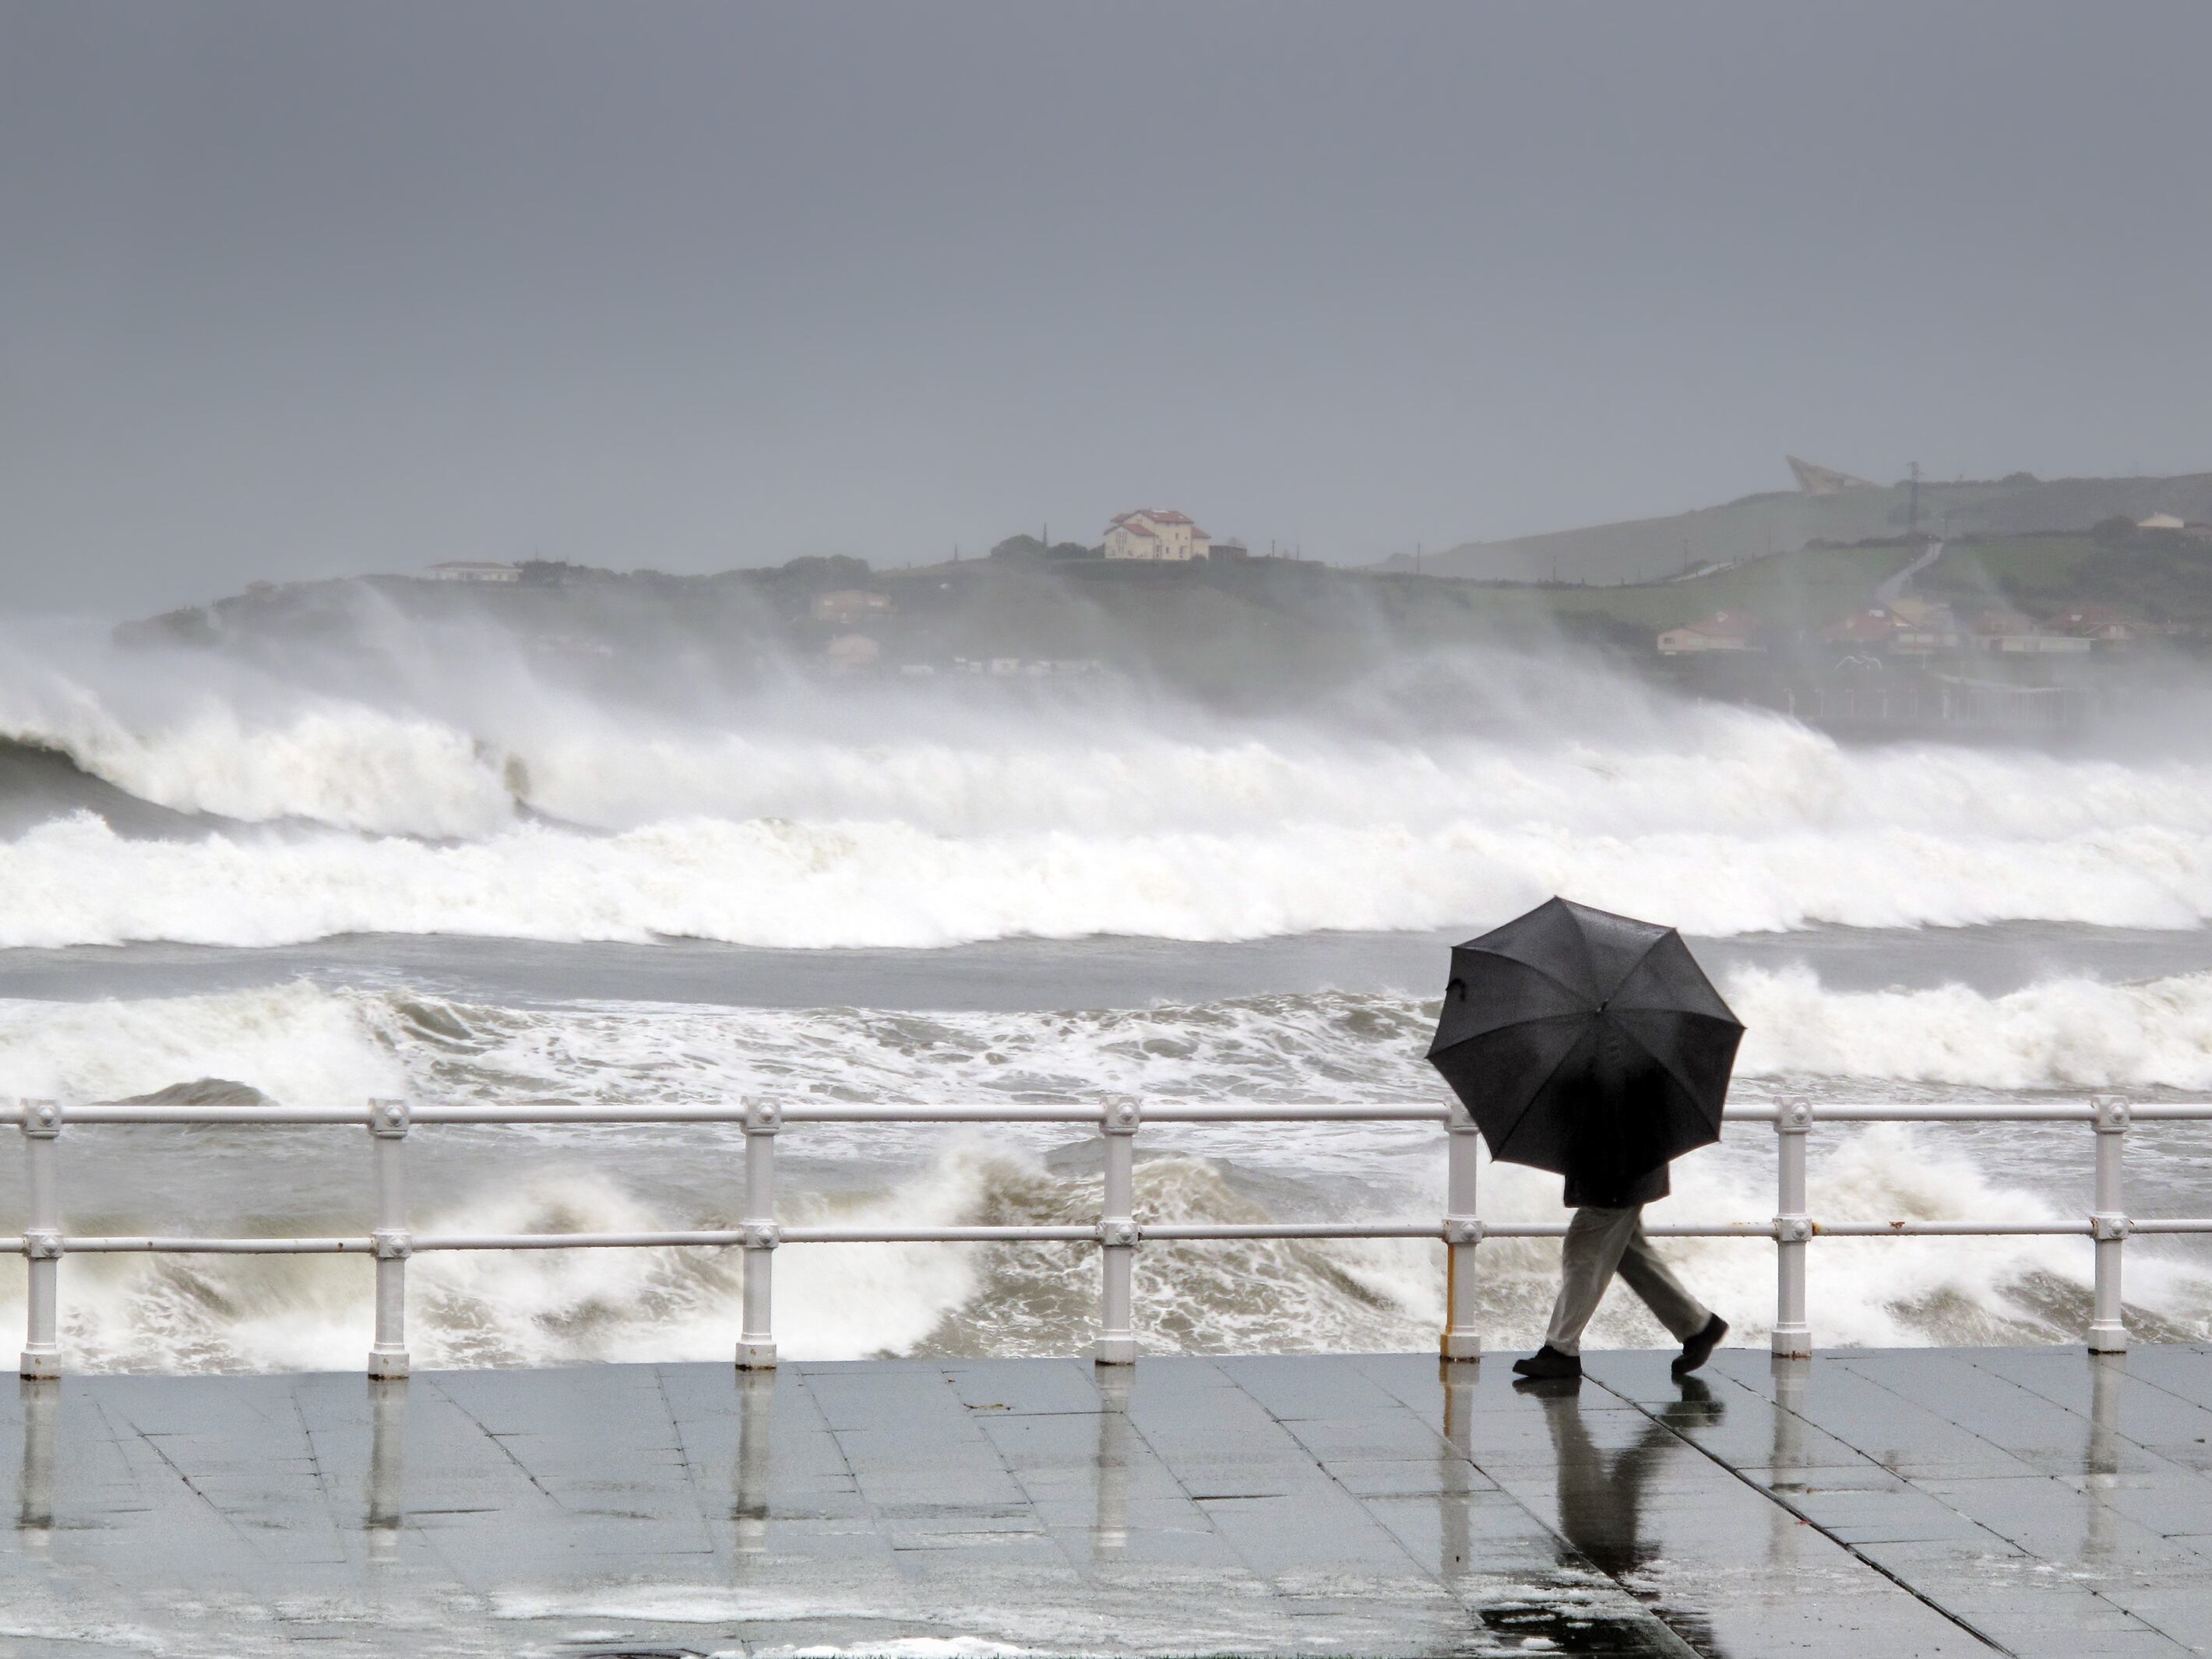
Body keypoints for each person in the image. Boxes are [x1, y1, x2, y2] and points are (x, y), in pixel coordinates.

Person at [1511, 1155, 1726, 1382]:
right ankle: (1698, 1326)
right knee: (1628, 1253)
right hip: (1622, 1167)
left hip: (1618, 1170)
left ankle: (1561, 1350)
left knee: (1584, 1247)